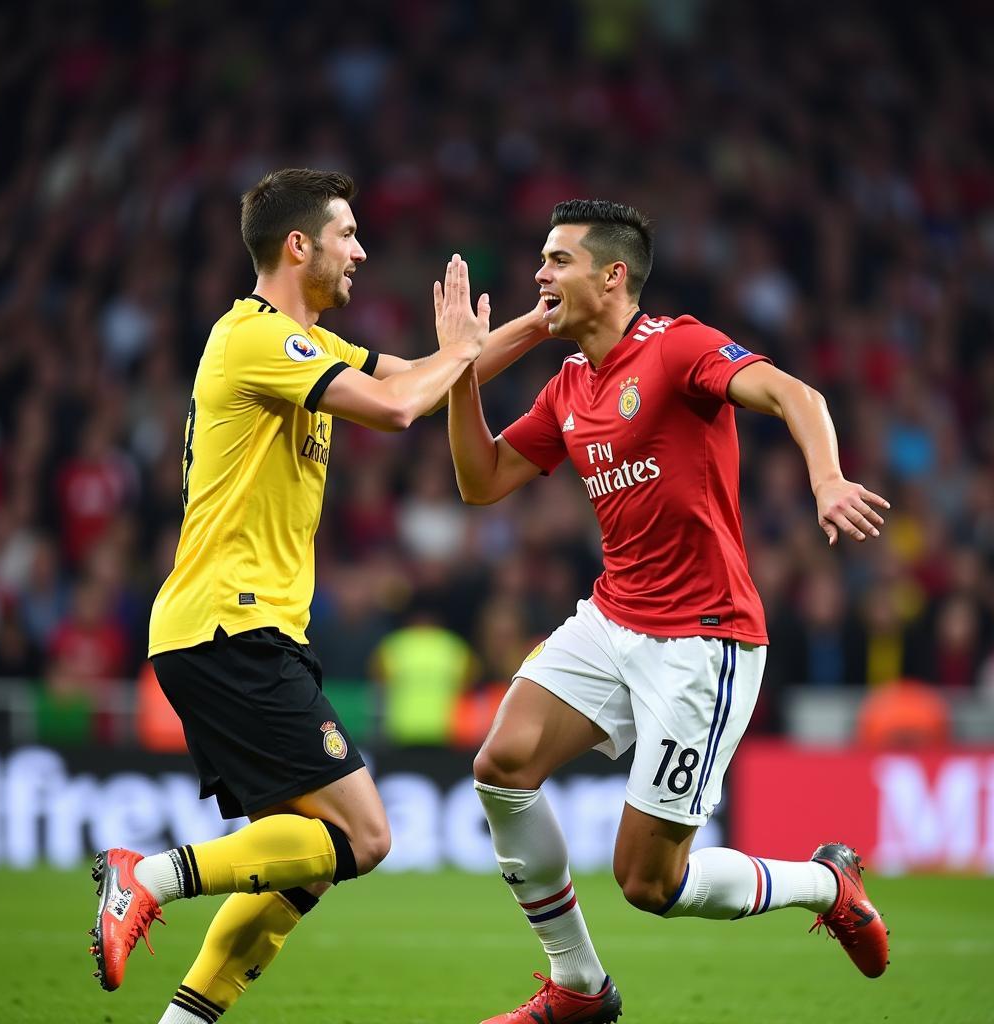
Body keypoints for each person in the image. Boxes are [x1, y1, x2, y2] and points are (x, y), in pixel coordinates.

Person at [89, 168, 539, 1023]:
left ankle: (184, 1018)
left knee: (306, 858)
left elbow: (421, 371)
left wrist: (542, 325)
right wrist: (457, 357)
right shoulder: (251, 338)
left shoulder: (305, 346)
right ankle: (144, 875)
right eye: (347, 234)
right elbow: (404, 405)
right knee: (364, 837)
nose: (362, 251)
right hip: (230, 624)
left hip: (240, 630)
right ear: (299, 246)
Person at [444, 200, 892, 1024]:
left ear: (612, 276)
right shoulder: (570, 384)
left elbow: (797, 393)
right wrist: (460, 373)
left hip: (703, 640)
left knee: (650, 884)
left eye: (558, 260)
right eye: (540, 260)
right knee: (501, 766)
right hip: (614, 619)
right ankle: (578, 987)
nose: (540, 275)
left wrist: (826, 478)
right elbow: (482, 481)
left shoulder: (678, 347)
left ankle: (827, 883)